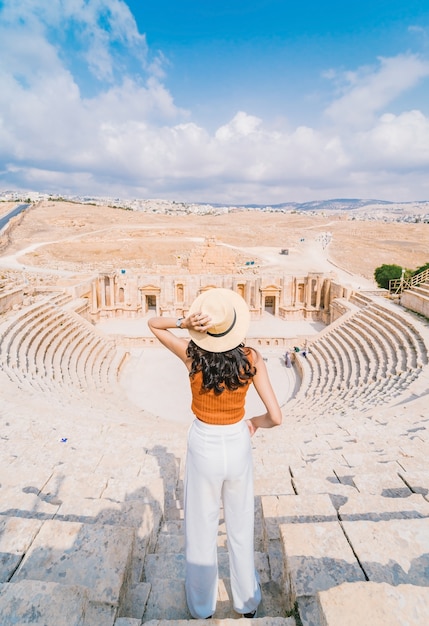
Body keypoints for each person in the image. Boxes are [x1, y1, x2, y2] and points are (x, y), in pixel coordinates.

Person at [148, 288, 282, 619]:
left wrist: (182, 320)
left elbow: (154, 325)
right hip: (237, 441)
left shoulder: (191, 356)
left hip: (204, 442)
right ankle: (246, 602)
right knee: (239, 524)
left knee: (201, 525)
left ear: (202, 327)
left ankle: (201, 606)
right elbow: (276, 417)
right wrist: (253, 422)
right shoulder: (252, 358)